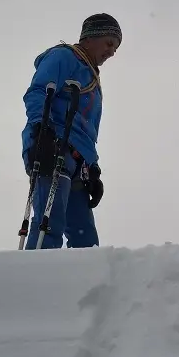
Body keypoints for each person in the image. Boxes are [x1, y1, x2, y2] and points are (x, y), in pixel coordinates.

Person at [21, 13, 121, 249]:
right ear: (90, 37)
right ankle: (34, 277)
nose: (112, 52)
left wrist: (93, 167)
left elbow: (89, 130)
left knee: (84, 236)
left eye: (115, 47)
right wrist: (40, 131)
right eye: (109, 43)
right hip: (54, 143)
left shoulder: (92, 79)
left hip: (80, 161)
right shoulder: (64, 57)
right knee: (49, 222)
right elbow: (37, 92)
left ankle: (85, 282)